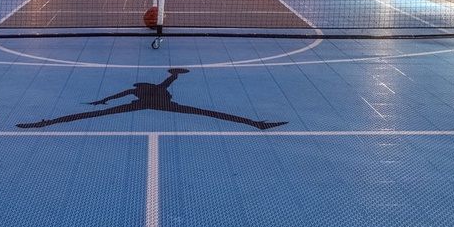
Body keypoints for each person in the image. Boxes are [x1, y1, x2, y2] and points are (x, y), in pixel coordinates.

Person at [17, 68, 285, 129]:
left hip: (154, 105)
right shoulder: (143, 89)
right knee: (207, 113)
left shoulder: (141, 89)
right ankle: (256, 124)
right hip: (158, 105)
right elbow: (168, 80)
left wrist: (103, 101)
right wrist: (104, 101)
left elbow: (122, 93)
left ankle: (46, 123)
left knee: (207, 113)